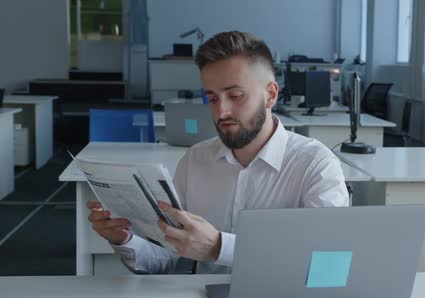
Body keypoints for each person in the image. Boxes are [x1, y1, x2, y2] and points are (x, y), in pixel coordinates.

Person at [86, 31, 349, 274]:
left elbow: (326, 262)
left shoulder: (316, 165)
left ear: (270, 95)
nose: (221, 111)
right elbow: (166, 256)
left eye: (235, 96)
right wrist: (124, 240)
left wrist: (219, 247)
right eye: (212, 98)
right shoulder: (195, 160)